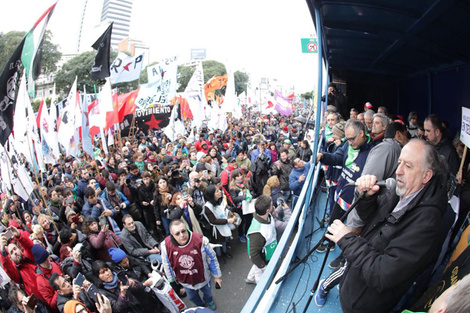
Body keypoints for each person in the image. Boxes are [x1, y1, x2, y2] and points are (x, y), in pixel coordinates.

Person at [324, 139, 449, 313]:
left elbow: (382, 274)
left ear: (426, 176)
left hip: (366, 304)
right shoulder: (401, 190)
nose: (398, 171)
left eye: (408, 166)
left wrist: (347, 240)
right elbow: (370, 220)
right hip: (355, 282)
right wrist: (366, 198)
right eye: (399, 163)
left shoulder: (427, 222)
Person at [315, 119, 374, 252]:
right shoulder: (348, 144)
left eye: (352, 138)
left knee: (352, 230)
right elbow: (337, 157)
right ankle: (329, 243)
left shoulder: (372, 151)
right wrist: (323, 156)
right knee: (334, 221)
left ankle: (344, 258)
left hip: (356, 199)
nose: (349, 142)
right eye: (347, 139)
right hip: (342, 192)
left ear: (361, 133)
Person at [161, 219, 222, 310]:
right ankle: (200, 306)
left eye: (183, 231)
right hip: (186, 283)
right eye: (177, 233)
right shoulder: (166, 246)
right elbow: (167, 264)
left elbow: (212, 258)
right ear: (172, 235)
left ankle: (209, 301)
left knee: (208, 293)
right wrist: (172, 280)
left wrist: (217, 276)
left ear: (187, 229)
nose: (182, 235)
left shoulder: (201, 240)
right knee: (192, 297)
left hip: (203, 279)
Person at [245, 195, 278, 284]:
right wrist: (262, 266)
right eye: (271, 205)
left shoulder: (265, 215)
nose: (273, 206)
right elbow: (254, 254)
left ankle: (250, 278)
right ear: (267, 210)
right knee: (260, 277)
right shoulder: (257, 232)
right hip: (262, 258)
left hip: (264, 253)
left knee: (256, 267)